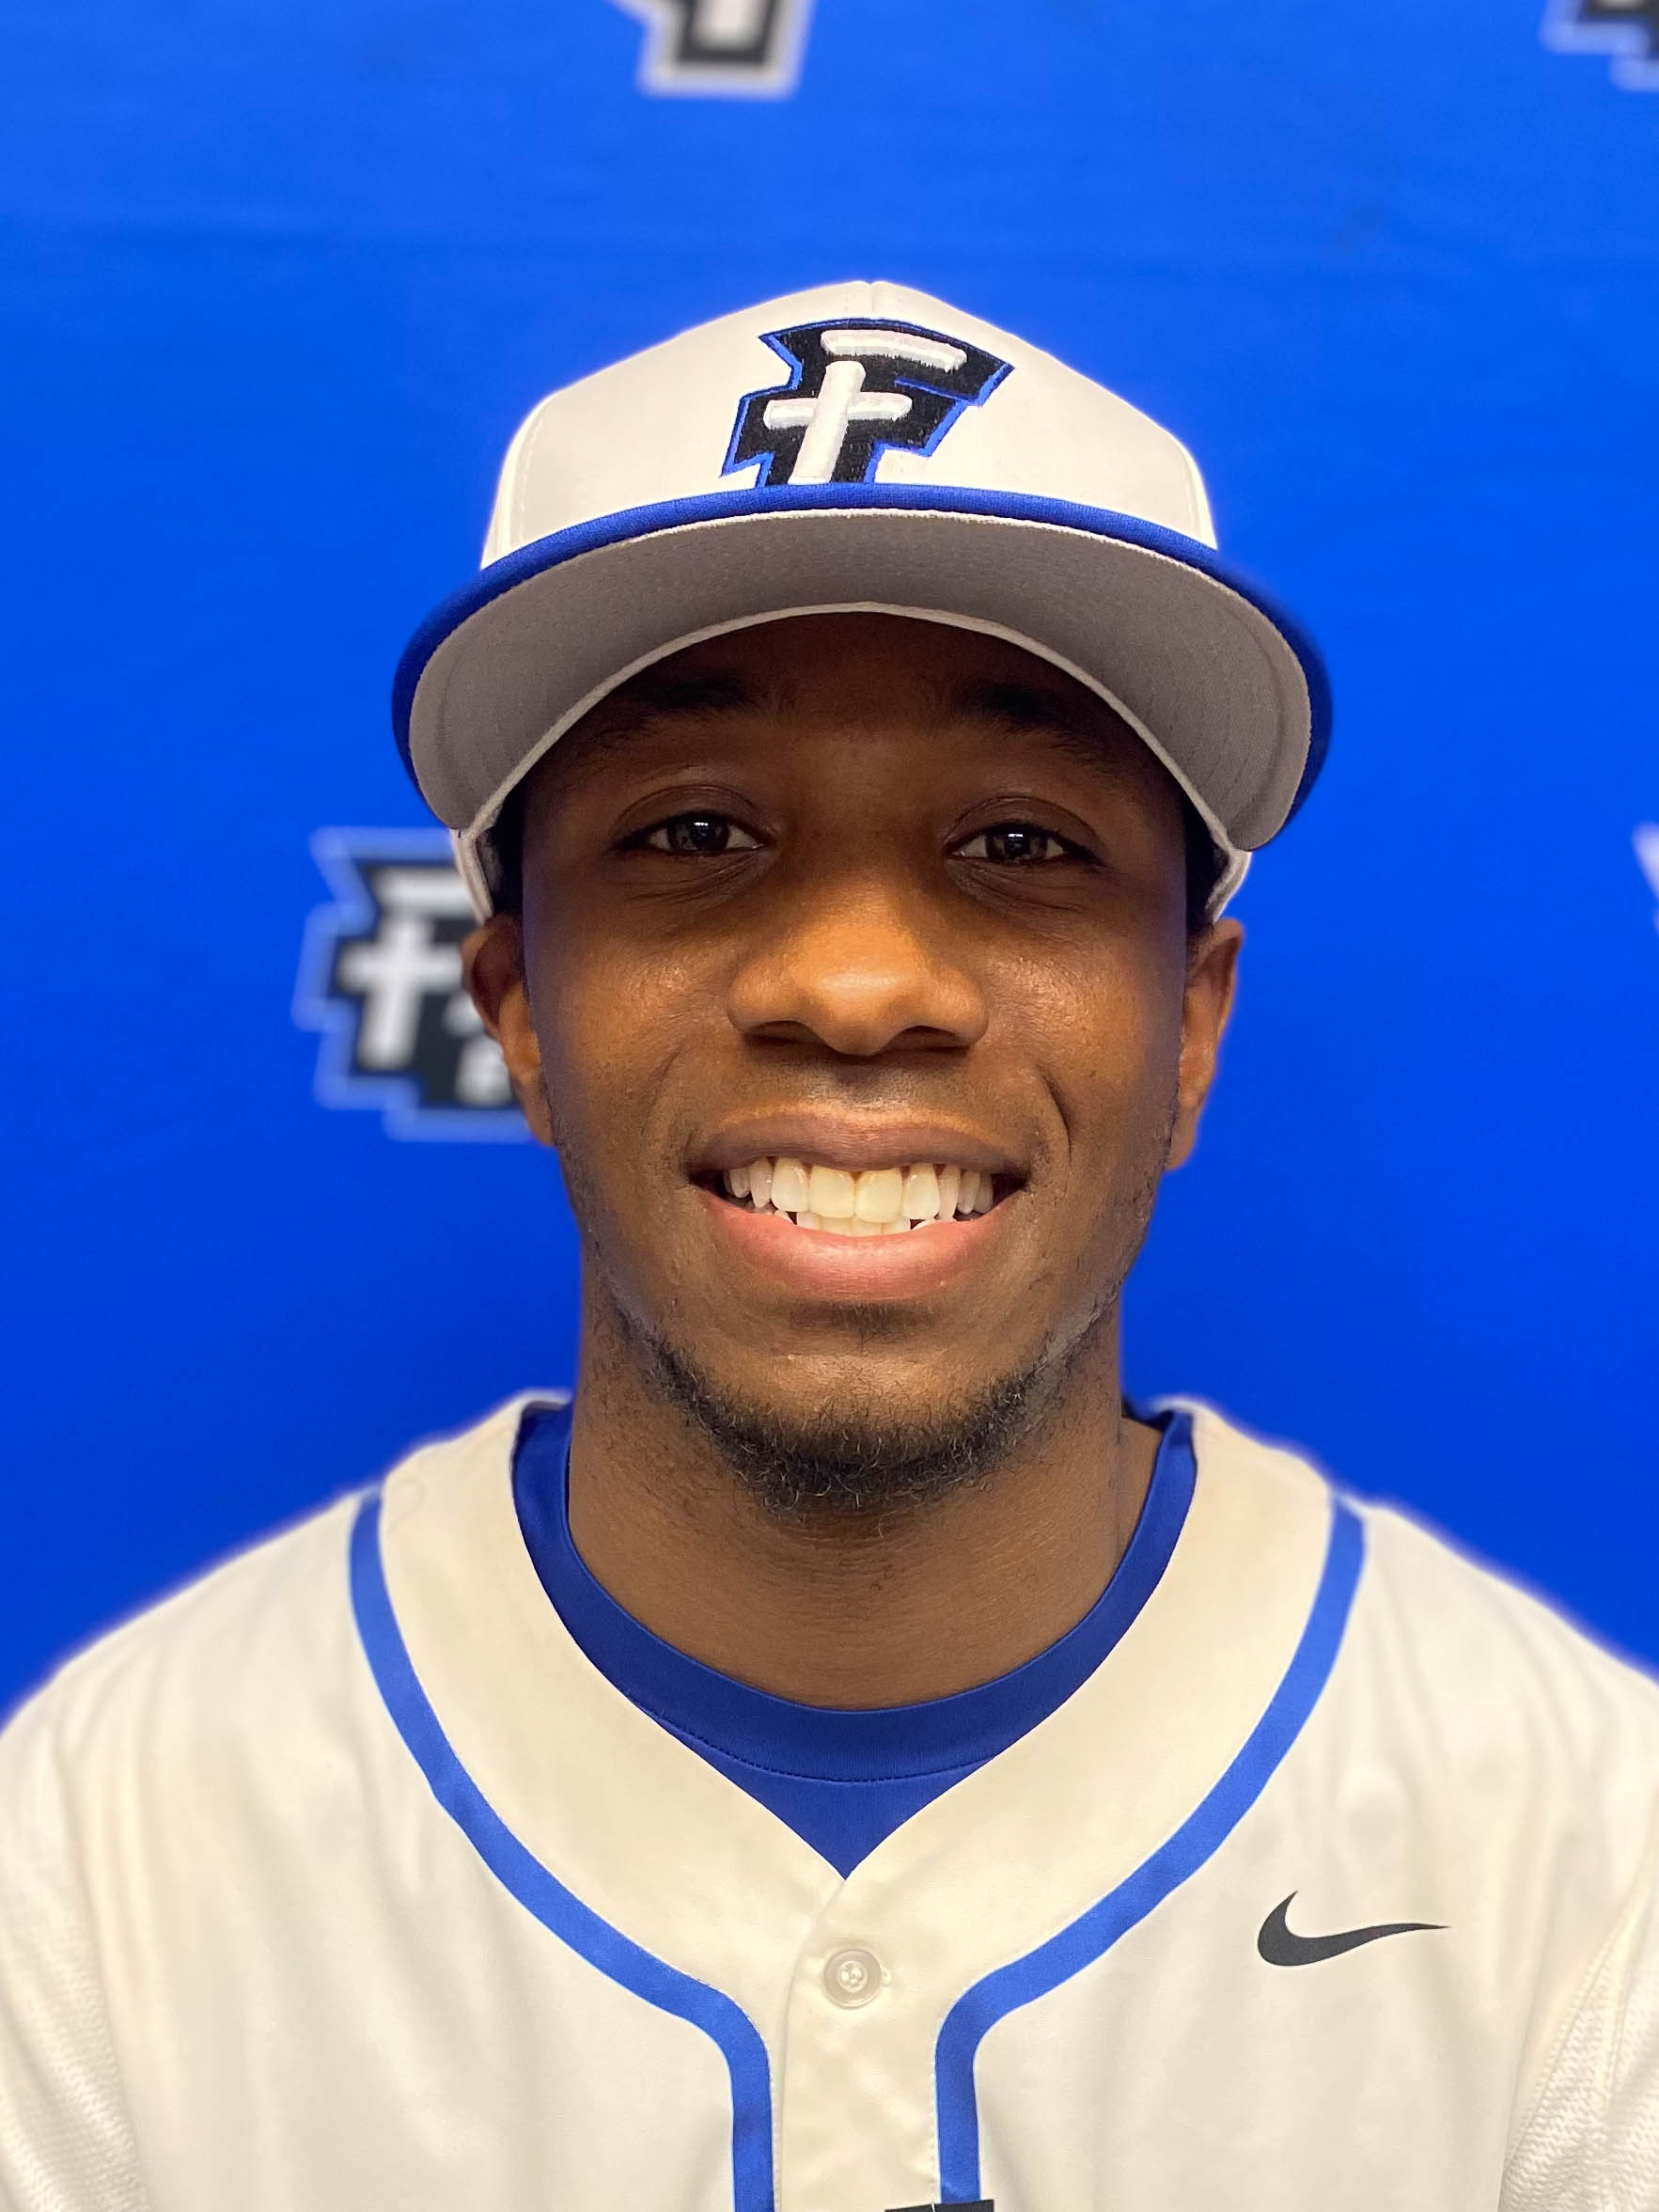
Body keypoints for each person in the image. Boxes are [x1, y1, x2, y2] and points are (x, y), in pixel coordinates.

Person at [2, 280, 1656, 2212]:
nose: (858, 984)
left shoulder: (1576, 1847)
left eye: (1021, 843)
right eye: (695, 834)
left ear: (1191, 1026)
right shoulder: (109, 1846)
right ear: (516, 1008)